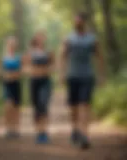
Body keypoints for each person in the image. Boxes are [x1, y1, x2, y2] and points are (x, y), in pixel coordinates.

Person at [60, 12, 105, 149]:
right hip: (72, 76)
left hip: (87, 76)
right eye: (76, 21)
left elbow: (99, 57)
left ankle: (85, 135)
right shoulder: (69, 39)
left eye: (80, 21)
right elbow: (62, 56)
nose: (77, 23)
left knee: (84, 105)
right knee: (73, 107)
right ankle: (75, 130)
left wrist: (101, 75)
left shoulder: (92, 39)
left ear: (84, 23)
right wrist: (62, 74)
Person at [24, 31, 54, 144]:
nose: (41, 39)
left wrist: (49, 69)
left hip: (45, 81)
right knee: (36, 108)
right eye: (39, 36)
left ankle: (44, 132)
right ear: (35, 39)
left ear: (45, 39)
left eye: (43, 36)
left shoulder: (49, 52)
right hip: (34, 82)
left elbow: (53, 65)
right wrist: (31, 71)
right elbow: (25, 67)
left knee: (43, 104)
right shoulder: (30, 53)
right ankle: (38, 133)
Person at [0, 36, 22, 139]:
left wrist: (16, 74)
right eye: (10, 44)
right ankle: (8, 129)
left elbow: (22, 71)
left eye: (13, 44)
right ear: (7, 45)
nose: (12, 46)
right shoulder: (2, 58)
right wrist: (4, 75)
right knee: (8, 107)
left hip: (16, 84)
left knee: (16, 108)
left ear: (15, 46)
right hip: (7, 85)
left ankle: (15, 129)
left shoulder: (18, 57)